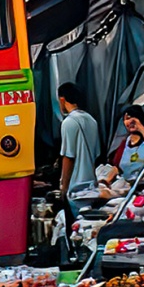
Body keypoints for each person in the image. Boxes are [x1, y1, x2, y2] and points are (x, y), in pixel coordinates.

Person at [57, 84, 101, 223]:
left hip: (76, 189)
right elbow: (96, 154)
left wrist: (64, 188)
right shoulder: (92, 121)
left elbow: (68, 157)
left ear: (62, 99)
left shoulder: (69, 122)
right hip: (92, 188)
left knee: (74, 227)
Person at [112, 110, 144, 182]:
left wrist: (140, 127)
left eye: (132, 119)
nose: (129, 122)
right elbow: (116, 165)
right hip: (124, 182)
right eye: (126, 119)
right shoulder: (124, 143)